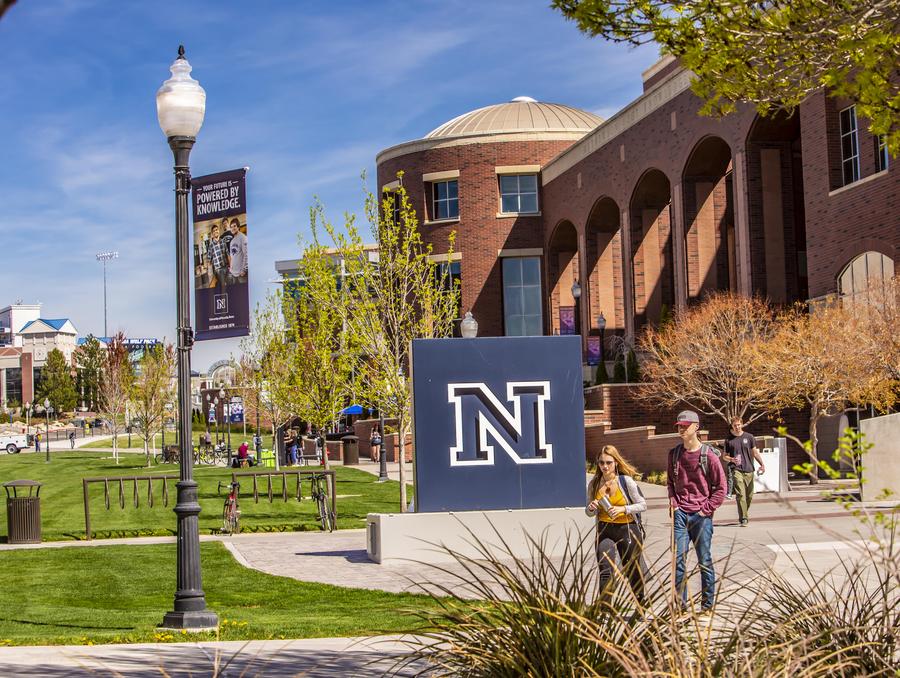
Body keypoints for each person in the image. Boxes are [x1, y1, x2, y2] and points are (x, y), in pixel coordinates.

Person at [667, 410, 726, 613]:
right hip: (681, 514)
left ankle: (707, 606)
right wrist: (674, 504)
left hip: (701, 516)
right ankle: (680, 608)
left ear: (696, 427)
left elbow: (721, 488)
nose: (681, 429)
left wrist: (705, 510)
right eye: (679, 426)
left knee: (705, 561)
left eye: (685, 426)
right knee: (679, 562)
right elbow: (670, 483)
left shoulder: (709, 456)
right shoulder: (674, 454)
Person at [587, 444, 648, 605]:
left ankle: (641, 601)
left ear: (616, 463)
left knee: (632, 569)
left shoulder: (625, 481)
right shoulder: (594, 484)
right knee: (605, 569)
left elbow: (642, 505)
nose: (605, 466)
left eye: (609, 462)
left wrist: (623, 509)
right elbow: (588, 511)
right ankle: (605, 607)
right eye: (601, 463)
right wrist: (591, 508)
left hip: (627, 529)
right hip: (605, 530)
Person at [722, 417, 766, 526]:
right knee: (741, 494)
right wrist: (731, 459)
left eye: (738, 425)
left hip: (749, 469)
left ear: (741, 424)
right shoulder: (729, 440)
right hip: (736, 469)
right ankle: (744, 518)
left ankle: (743, 512)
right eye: (734, 425)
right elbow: (724, 457)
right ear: (732, 426)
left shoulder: (749, 437)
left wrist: (762, 464)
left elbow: (754, 453)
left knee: (749, 496)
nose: (737, 427)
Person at [206, 223, 229, 291]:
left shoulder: (223, 241)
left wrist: (230, 266)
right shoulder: (211, 246)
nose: (216, 231)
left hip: (226, 267)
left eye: (217, 229)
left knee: (229, 285)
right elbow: (209, 261)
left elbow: (227, 254)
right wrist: (210, 275)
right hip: (218, 270)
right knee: (223, 287)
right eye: (214, 230)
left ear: (218, 231)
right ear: (212, 233)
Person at [227, 218, 248, 283]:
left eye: (234, 226)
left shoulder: (243, 237)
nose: (233, 228)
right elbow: (232, 256)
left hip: (241, 274)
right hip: (233, 273)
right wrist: (231, 268)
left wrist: (244, 270)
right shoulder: (232, 241)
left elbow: (246, 254)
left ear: (238, 226)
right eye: (231, 227)